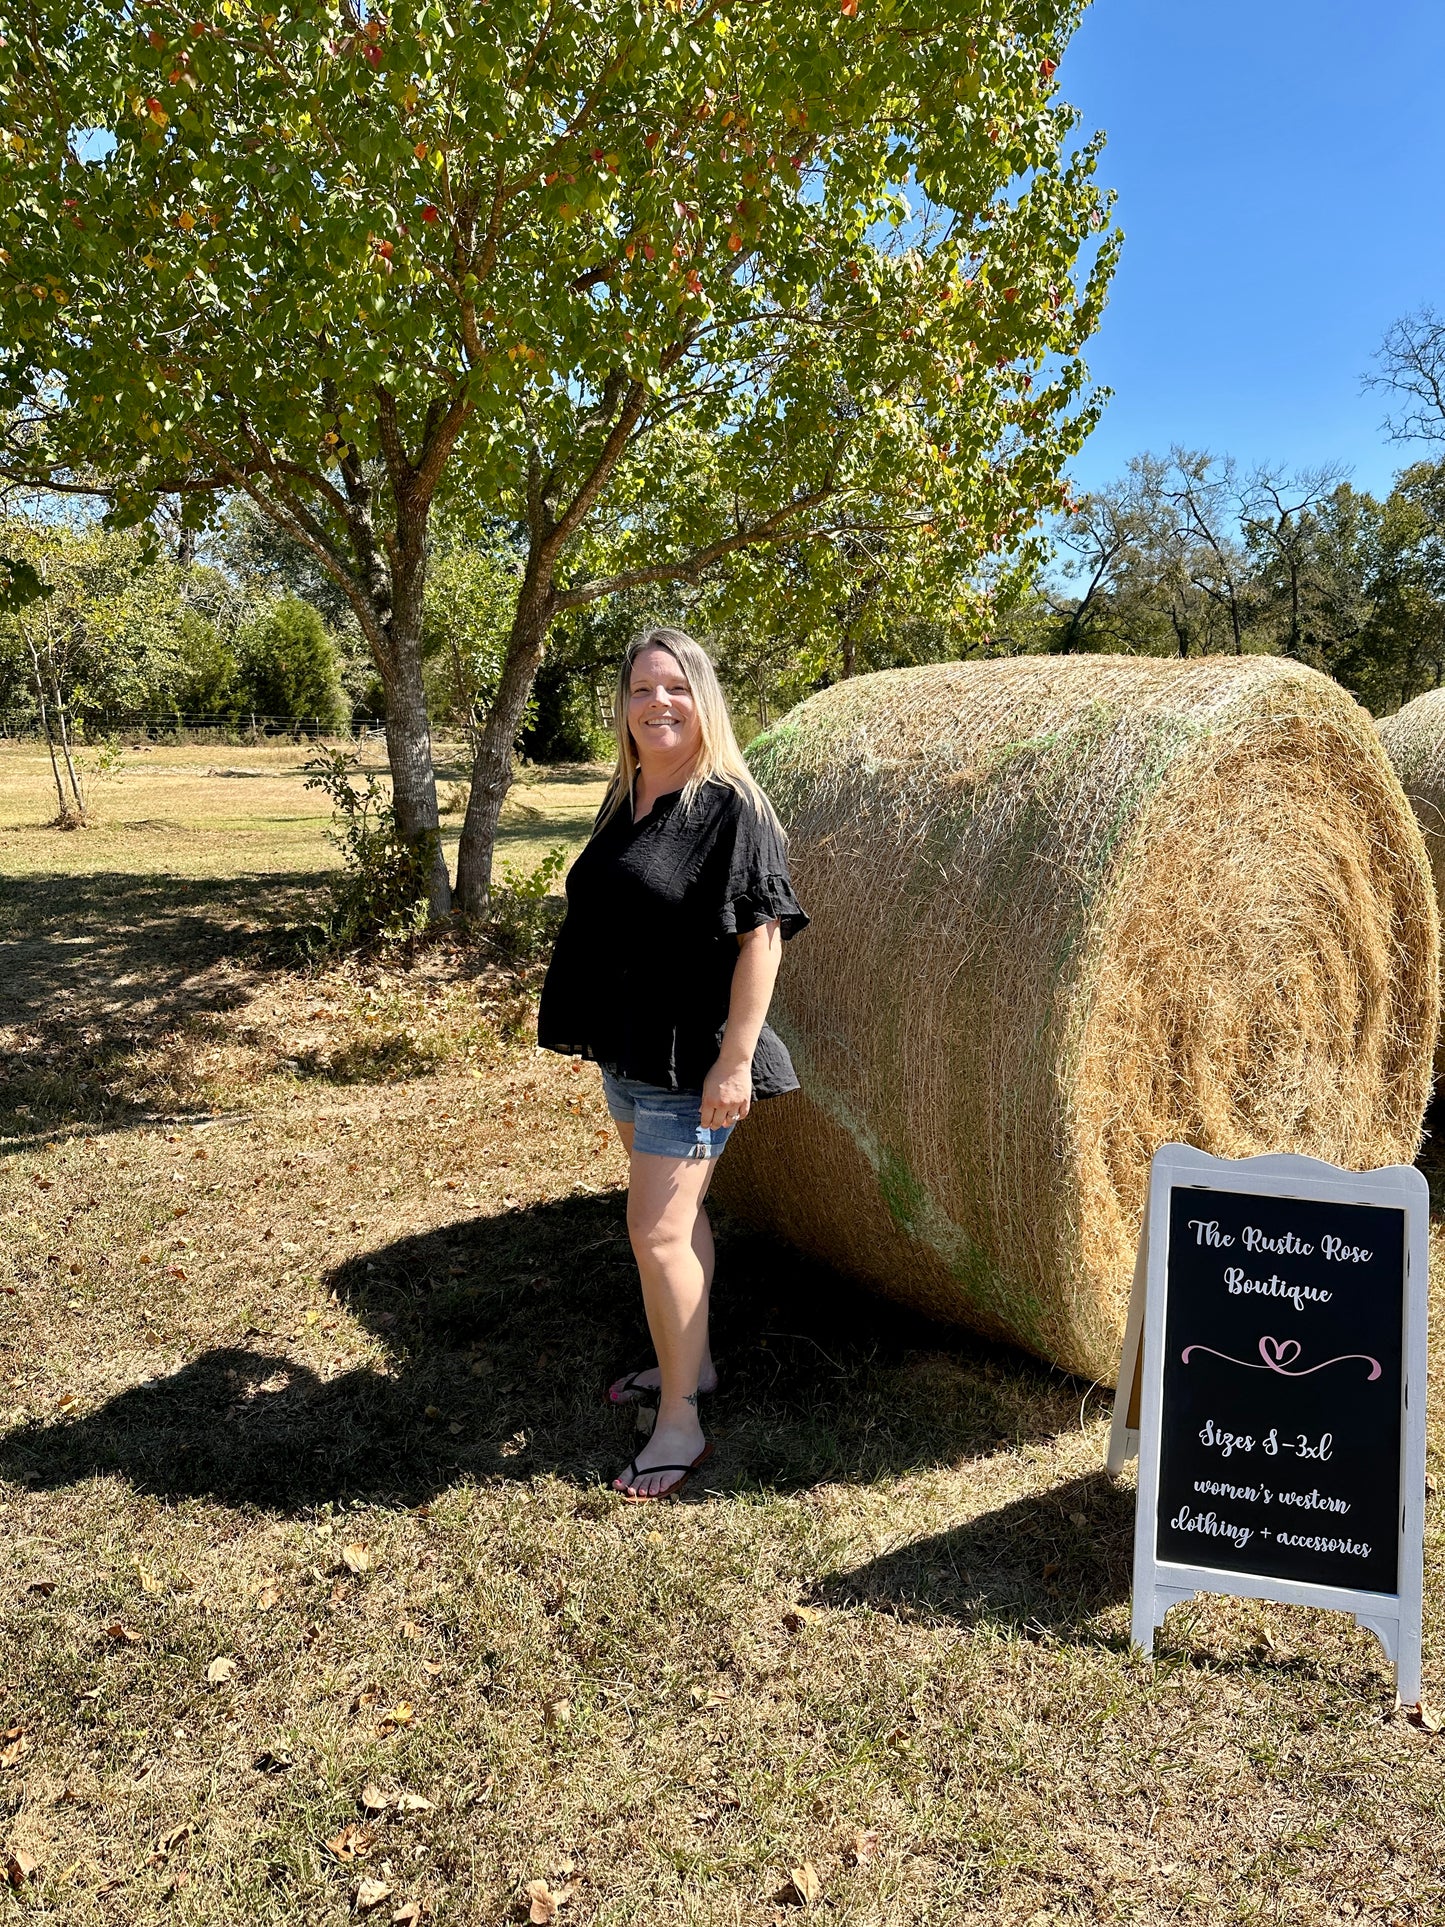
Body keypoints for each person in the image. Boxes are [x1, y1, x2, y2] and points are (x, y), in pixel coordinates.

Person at [537, 627, 808, 1500]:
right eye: (643, 689)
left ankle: (682, 1422)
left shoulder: (730, 805)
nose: (659, 703)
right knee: (677, 1225)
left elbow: (760, 939)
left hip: (692, 1059)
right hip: (627, 1047)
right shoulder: (629, 794)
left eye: (677, 688)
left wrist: (735, 1061)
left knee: (654, 1233)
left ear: (704, 702)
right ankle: (688, 1362)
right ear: (623, 704)